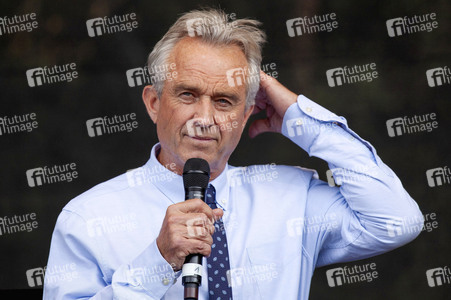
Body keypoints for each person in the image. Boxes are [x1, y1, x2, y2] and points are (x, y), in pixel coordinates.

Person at [44, 8, 423, 300]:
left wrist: (298, 117)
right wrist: (156, 262)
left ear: (245, 116)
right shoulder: (88, 217)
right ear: (154, 102)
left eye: (224, 101)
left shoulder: (292, 196)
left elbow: (396, 221)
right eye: (188, 94)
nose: (204, 119)